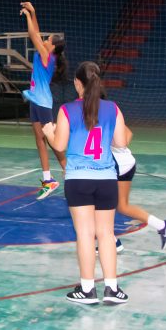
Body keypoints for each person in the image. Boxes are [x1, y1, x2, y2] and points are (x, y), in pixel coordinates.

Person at [42, 61, 129, 305]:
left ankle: (88, 290)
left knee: (85, 234)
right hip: (106, 180)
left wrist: (49, 132)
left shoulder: (67, 109)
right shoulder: (113, 108)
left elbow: (59, 145)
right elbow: (121, 143)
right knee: (106, 233)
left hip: (79, 179)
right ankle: (112, 288)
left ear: (77, 83)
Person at [19, 1, 67, 200]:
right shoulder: (46, 52)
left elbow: (32, 35)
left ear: (52, 45)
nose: (44, 40)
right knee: (40, 141)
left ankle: (70, 173)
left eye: (47, 39)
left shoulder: (47, 55)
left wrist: (29, 17)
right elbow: (37, 34)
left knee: (52, 142)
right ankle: (48, 180)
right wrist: (34, 11)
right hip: (35, 100)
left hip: (43, 102)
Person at [111, 127, 166, 251]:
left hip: (118, 167)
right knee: (122, 206)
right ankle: (162, 225)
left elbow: (127, 135)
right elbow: (128, 133)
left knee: (95, 206)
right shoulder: (105, 112)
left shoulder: (102, 114)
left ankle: (112, 242)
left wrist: (115, 148)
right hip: (125, 164)